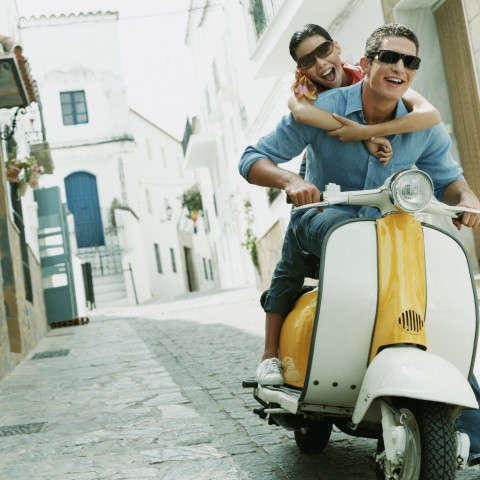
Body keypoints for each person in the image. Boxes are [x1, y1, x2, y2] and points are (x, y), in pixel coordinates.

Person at [239, 23, 480, 465]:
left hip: (392, 230)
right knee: (314, 239)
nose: (399, 67)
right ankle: (271, 355)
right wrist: (292, 180)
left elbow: (450, 180)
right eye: (389, 58)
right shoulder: (322, 107)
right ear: (366, 64)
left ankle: (464, 416)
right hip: (328, 219)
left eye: (409, 62)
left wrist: (467, 199)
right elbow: (252, 157)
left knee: (433, 290)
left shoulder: (420, 121)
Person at [286, 24, 441, 178]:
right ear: (301, 69)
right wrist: (364, 135)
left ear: (337, 47)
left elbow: (431, 115)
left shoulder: (369, 78)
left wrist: (367, 132)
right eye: (307, 61)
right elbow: (300, 112)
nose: (320, 63)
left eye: (324, 50)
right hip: (321, 158)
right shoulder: (306, 89)